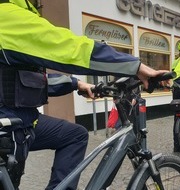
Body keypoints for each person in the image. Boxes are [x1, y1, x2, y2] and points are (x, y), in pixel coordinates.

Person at [0, 1, 168, 189]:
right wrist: (135, 67)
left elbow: (26, 80)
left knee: (75, 135)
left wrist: (76, 84)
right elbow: (70, 48)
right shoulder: (7, 17)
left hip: (22, 120)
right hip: (8, 126)